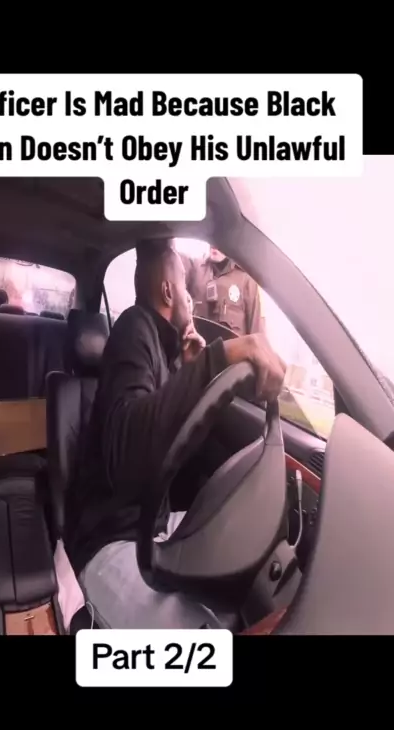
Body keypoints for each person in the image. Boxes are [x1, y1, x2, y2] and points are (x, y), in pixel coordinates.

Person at [65, 239, 285, 629]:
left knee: (255, 553)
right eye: (184, 286)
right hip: (109, 543)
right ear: (168, 291)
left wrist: (186, 371)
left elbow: (172, 455)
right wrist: (218, 358)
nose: (190, 297)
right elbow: (127, 454)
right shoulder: (133, 328)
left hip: (155, 526)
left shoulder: (165, 351)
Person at [184, 247, 264, 336]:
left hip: (230, 344)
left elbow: (256, 333)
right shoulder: (195, 270)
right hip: (200, 343)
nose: (214, 245)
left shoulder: (246, 279)